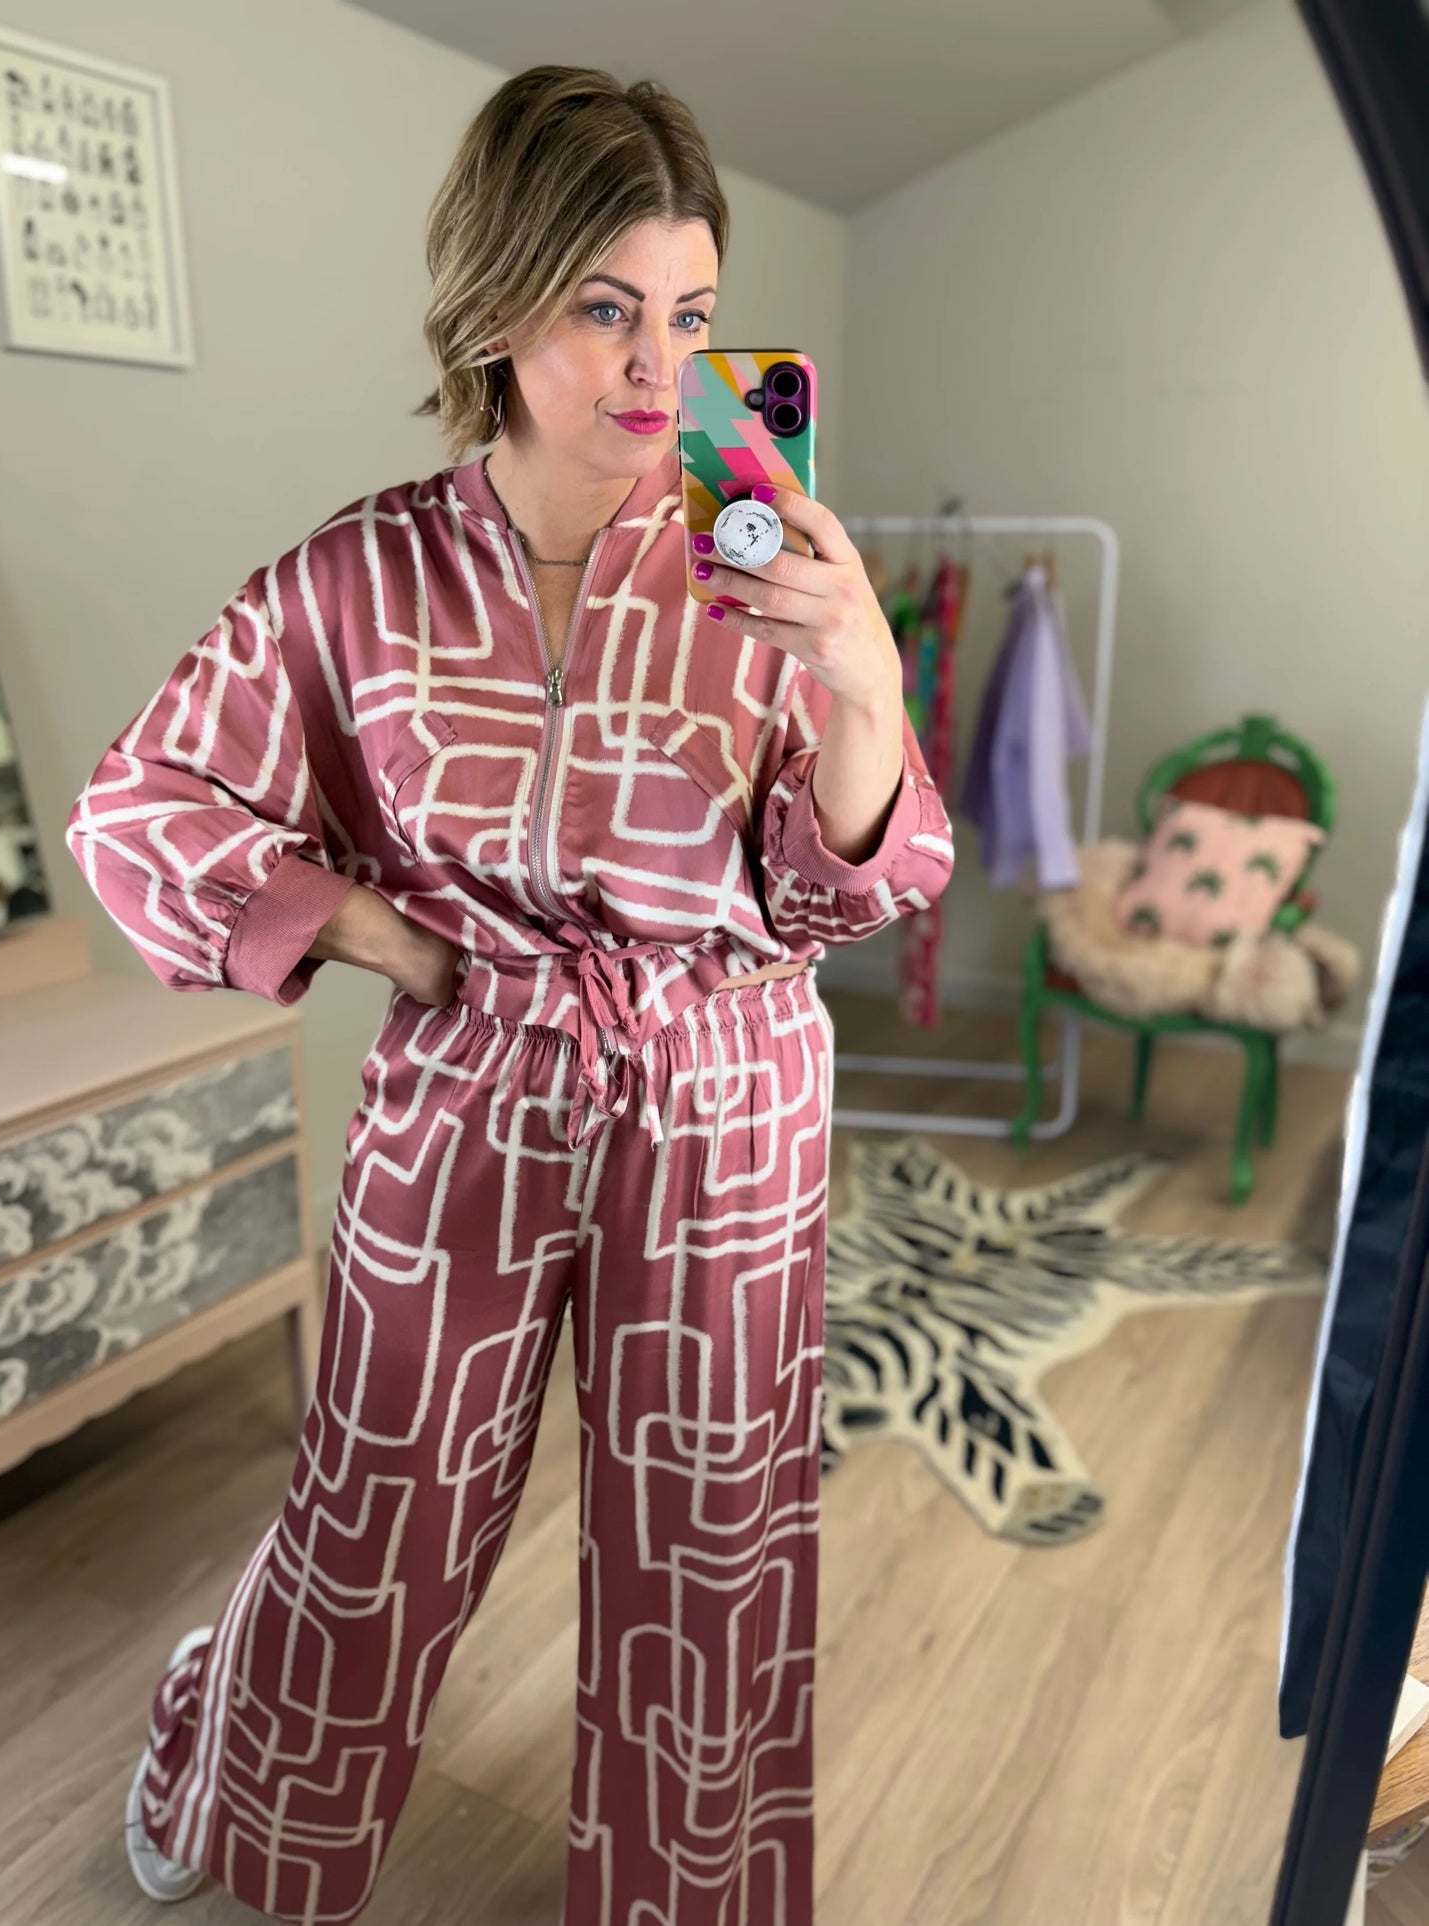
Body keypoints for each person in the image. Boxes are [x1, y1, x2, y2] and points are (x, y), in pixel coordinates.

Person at [66, 63, 956, 1926]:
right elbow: (142, 802)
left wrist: (862, 688)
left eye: (692, 315)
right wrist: (376, 935)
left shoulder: (760, 563)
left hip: (724, 1088)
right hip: (464, 1076)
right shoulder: (355, 578)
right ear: (492, 307)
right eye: (603, 307)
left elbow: (838, 883)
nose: (656, 367)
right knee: (370, 1506)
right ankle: (227, 1785)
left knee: (712, 1546)